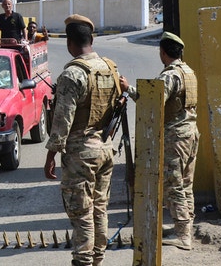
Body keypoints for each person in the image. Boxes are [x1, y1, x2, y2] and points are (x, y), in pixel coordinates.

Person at [44, 14, 121, 266]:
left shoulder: (72, 74)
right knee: (100, 207)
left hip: (81, 154)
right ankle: (97, 259)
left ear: (69, 43)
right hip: (105, 148)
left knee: (81, 211)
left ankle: (83, 260)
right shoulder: (110, 67)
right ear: (92, 40)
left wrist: (51, 155)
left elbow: (62, 121)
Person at [119, 31, 199, 251]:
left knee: (174, 185)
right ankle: (185, 228)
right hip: (190, 134)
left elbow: (152, 101)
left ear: (163, 52)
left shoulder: (171, 75)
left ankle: (183, 235)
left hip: (176, 138)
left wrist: (128, 89)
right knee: (186, 184)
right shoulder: (189, 72)